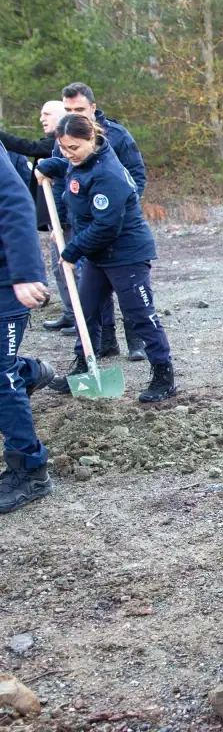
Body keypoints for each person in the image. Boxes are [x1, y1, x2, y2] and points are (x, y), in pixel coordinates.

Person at [34, 114, 176, 403]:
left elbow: (106, 226)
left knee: (139, 315)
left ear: (91, 139)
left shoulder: (108, 173)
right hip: (99, 255)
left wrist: (72, 250)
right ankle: (83, 368)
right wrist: (54, 165)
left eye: (73, 147)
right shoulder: (81, 162)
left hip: (126, 254)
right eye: (62, 147)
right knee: (85, 310)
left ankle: (163, 373)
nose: (68, 153)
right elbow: (75, 173)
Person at [56, 83, 149, 361]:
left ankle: (136, 342)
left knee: (127, 287)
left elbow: (136, 175)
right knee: (93, 291)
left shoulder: (116, 136)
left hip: (115, 225)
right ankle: (105, 341)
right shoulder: (64, 135)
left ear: (93, 109)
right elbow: (64, 179)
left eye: (80, 109)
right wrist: (62, 223)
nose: (75, 114)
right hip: (84, 227)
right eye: (69, 109)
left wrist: (122, 211)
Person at [0, 144, 58, 514]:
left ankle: (30, 468)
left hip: (5, 282)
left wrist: (25, 275)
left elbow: (16, 203)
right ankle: (29, 372)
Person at [1, 100, 72, 328]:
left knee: (75, 271)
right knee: (59, 269)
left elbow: (29, 148)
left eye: (47, 114)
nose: (42, 118)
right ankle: (71, 313)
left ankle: (91, 323)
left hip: (72, 219)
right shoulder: (51, 145)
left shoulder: (67, 141)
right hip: (55, 220)